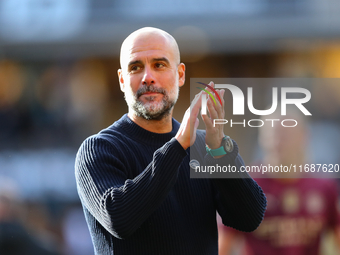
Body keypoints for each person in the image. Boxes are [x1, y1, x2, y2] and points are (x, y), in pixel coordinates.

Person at [75, 27, 267, 255]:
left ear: (180, 74)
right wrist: (177, 147)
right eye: (135, 67)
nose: (148, 77)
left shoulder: (207, 147)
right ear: (122, 80)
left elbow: (250, 218)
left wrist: (219, 153)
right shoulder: (99, 149)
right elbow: (119, 219)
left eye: (159, 65)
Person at [218, 110, 340, 255]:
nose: (278, 142)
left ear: (304, 136)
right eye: (273, 135)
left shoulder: (324, 187)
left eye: (286, 135)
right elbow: (222, 245)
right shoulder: (244, 185)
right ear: (262, 138)